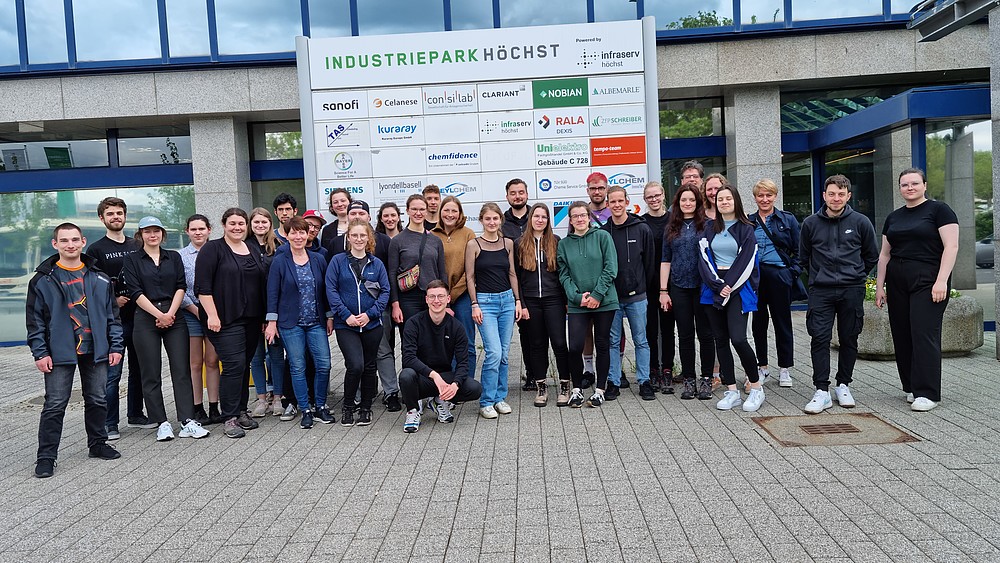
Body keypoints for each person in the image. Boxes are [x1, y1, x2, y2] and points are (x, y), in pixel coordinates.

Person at [27, 223, 124, 478]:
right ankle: (46, 457)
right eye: (64, 240)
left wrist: (116, 346)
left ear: (83, 241)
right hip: (59, 352)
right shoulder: (42, 280)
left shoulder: (99, 277)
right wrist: (40, 352)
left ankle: (98, 444)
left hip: (97, 350)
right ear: (55, 244)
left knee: (97, 399)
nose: (70, 244)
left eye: (74, 239)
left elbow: (112, 317)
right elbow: (35, 321)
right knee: (55, 404)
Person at [875, 168, 959, 412]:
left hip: (928, 279)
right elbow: (884, 254)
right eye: (904, 184)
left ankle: (928, 392)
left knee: (924, 333)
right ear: (900, 188)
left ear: (924, 185)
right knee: (902, 333)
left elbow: (951, 247)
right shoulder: (894, 217)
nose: (909, 188)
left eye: (914, 183)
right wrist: (880, 286)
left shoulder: (939, 210)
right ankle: (911, 386)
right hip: (898, 279)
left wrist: (942, 280)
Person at [122, 217, 209, 441]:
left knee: (182, 370)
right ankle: (161, 422)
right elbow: (135, 292)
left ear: (163, 233)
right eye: (148, 231)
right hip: (145, 316)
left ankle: (188, 420)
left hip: (174, 314)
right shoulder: (132, 260)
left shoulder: (174, 256)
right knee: (150, 373)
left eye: (157, 231)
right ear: (140, 234)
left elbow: (181, 286)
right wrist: (159, 315)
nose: (153, 235)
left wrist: (169, 313)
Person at [799, 175, 878, 414]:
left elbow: (871, 255)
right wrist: (817, 278)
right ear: (824, 195)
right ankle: (821, 390)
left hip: (851, 289)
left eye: (841, 194)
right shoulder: (810, 224)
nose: (836, 198)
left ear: (848, 196)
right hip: (821, 291)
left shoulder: (861, 222)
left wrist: (855, 275)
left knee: (849, 338)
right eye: (831, 194)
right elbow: (803, 258)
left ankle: (843, 384)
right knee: (819, 338)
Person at [195, 208, 267, 438]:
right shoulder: (212, 249)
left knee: (243, 365)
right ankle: (229, 417)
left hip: (252, 319)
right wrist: (213, 315)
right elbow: (202, 288)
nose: (237, 227)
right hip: (224, 319)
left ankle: (241, 410)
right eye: (232, 223)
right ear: (224, 225)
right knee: (234, 365)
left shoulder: (252, 248)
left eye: (241, 224)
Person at [86, 196, 149, 439]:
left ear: (125, 216)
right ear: (102, 218)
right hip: (112, 322)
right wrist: (113, 300)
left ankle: (135, 414)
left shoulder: (137, 244)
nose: (116, 217)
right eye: (110, 214)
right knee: (112, 373)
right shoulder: (96, 249)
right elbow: (91, 285)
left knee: (140, 369)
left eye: (119, 213)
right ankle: (109, 423)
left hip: (140, 317)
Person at [697, 182, 763, 412]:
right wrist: (717, 285)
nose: (724, 202)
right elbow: (703, 259)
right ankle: (732, 390)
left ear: (736, 201)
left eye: (728, 198)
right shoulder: (708, 228)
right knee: (720, 340)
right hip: (713, 289)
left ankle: (756, 387)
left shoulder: (747, 229)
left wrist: (728, 286)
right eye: (720, 199)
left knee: (738, 338)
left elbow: (747, 261)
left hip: (738, 288)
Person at [265, 216, 334, 429]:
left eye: (302, 232)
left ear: (307, 234)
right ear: (286, 235)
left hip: (316, 321)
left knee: (324, 364)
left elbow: (325, 291)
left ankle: (320, 405)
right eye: (293, 232)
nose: (298, 236)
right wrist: (271, 322)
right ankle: (304, 409)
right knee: (298, 367)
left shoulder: (318, 259)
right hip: (290, 323)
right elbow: (272, 293)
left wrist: (330, 316)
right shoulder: (280, 261)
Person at [327, 219, 390, 426]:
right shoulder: (337, 261)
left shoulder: (376, 264)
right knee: (355, 365)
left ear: (369, 238)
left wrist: (370, 314)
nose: (359, 239)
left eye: (363, 235)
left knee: (370, 366)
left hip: (371, 324)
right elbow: (331, 290)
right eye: (354, 235)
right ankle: (347, 407)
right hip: (347, 325)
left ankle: (365, 408)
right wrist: (346, 315)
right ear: (348, 237)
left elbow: (385, 292)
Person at [399, 280, 483, 433]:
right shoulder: (414, 323)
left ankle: (440, 400)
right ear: (426, 299)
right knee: (406, 376)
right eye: (432, 297)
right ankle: (412, 411)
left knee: (474, 388)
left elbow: (463, 363)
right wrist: (434, 376)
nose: (436, 301)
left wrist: (455, 384)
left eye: (440, 296)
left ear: (448, 299)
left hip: (445, 378)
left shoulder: (456, 327)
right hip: (422, 378)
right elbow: (408, 358)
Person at [558, 201, 619, 408]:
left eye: (583, 215)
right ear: (571, 219)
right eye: (575, 216)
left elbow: (611, 267)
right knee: (575, 347)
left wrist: (597, 295)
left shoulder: (603, 236)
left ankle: (600, 389)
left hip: (604, 301)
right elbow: (563, 275)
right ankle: (577, 389)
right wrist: (577, 297)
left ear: (589, 217)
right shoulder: (564, 244)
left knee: (602, 344)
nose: (580, 219)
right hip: (578, 303)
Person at [466, 202, 522, 419]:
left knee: (505, 354)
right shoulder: (474, 245)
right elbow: (470, 277)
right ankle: (486, 401)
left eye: (495, 218)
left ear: (500, 220)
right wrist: (474, 304)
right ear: (481, 220)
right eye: (487, 219)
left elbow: (512, 274)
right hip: (485, 303)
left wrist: (517, 300)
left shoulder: (508, 243)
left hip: (507, 301)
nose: (491, 222)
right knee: (494, 353)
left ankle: (500, 398)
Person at [660, 185, 716, 400]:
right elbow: (665, 260)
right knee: (684, 336)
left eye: (692, 200)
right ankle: (689, 380)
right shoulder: (671, 228)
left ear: (698, 202)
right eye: (684, 200)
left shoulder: (709, 226)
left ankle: (706, 380)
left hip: (703, 288)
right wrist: (663, 291)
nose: (688, 203)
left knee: (706, 335)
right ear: (678, 202)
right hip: (679, 287)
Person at [602, 186, 657, 401]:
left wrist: (642, 286)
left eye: (619, 201)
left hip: (637, 297)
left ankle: (644, 381)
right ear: (607, 205)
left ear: (627, 202)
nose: (616, 205)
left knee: (641, 340)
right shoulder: (604, 232)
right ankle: (613, 382)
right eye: (612, 202)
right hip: (613, 298)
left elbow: (649, 263)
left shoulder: (641, 229)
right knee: (613, 341)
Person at [345, 200, 400, 411]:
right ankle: (358, 394)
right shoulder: (336, 244)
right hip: (348, 313)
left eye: (361, 212)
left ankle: (391, 392)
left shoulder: (384, 241)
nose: (357, 215)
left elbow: (389, 277)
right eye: (353, 212)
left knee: (382, 350)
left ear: (369, 217)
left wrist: (385, 306)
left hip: (378, 308)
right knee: (356, 356)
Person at [515, 203, 570, 407]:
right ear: (530, 219)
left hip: (553, 299)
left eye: (544, 217)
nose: (540, 220)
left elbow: (562, 273)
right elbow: (517, 277)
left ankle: (565, 384)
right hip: (531, 301)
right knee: (537, 345)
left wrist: (565, 301)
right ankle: (541, 387)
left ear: (548, 221)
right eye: (536, 216)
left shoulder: (556, 241)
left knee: (558, 343)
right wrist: (521, 302)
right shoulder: (520, 243)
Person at [748, 179, 801, 389]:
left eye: (768, 195)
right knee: (758, 324)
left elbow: (800, 251)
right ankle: (762, 367)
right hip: (755, 277)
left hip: (780, 275)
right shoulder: (748, 221)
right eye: (760, 195)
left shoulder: (787, 220)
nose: (764, 199)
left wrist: (791, 273)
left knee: (782, 323)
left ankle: (785, 369)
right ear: (755, 198)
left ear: (775, 196)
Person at [178, 214, 221, 424]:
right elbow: (180, 286)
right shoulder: (181, 256)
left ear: (209, 230)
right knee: (195, 363)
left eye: (201, 229)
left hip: (214, 314)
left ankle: (214, 406)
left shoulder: (217, 252)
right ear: (187, 231)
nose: (198, 233)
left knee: (212, 361)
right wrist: (195, 309)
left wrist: (210, 311)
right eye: (193, 229)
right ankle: (197, 407)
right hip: (191, 313)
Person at [431, 196, 478, 379]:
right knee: (444, 344)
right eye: (446, 210)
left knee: (467, 342)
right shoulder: (431, 235)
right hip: (439, 298)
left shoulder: (468, 234)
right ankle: (448, 384)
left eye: (454, 211)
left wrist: (453, 294)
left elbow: (472, 269)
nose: (450, 214)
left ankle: (466, 383)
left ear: (460, 214)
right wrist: (442, 296)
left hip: (463, 295)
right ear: (440, 212)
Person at [247, 208, 285, 417]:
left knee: (277, 355)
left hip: (274, 311)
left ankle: (277, 396)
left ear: (270, 224)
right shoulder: (243, 246)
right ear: (250, 224)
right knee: (256, 357)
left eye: (264, 222)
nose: (260, 226)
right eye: (256, 222)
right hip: (252, 311)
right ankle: (262, 398)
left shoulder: (279, 247)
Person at [387, 194, 447, 324]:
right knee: (410, 337)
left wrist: (446, 302)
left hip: (433, 296)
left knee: (433, 337)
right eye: (414, 209)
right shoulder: (397, 241)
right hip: (408, 298)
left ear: (426, 211)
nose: (418, 213)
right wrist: (395, 304)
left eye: (421, 209)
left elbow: (442, 272)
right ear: (407, 211)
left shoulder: (436, 241)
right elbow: (392, 273)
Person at [642, 181, 676, 393]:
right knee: (650, 330)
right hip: (648, 283)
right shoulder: (641, 222)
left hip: (671, 283)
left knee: (668, 329)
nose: (654, 200)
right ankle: (652, 369)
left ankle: (667, 370)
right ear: (645, 200)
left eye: (657, 195)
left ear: (663, 195)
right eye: (649, 197)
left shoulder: (674, 220)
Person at [501, 178, 534, 391]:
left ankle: (537, 374)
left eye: (521, 192)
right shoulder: (501, 223)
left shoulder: (537, 217)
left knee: (538, 333)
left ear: (527, 194)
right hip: (511, 286)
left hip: (536, 285)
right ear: (507, 197)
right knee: (523, 334)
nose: (518, 196)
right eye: (513, 193)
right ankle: (528, 375)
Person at [320, 188, 353, 254]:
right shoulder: (327, 230)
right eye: (335, 202)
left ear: (350, 202)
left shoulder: (361, 225)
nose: (340, 204)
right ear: (332, 207)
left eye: (343, 201)